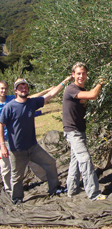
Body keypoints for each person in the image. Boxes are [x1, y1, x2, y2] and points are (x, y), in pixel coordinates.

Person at [0, 76, 72, 204]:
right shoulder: (9, 107)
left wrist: (64, 81)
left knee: (50, 163)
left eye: (25, 87)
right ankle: (17, 199)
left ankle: (54, 188)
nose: (23, 89)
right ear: (16, 91)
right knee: (17, 177)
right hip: (16, 150)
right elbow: (1, 124)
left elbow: (50, 94)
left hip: (33, 147)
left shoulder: (32, 103)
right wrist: (2, 145)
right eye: (20, 87)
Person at [0, 80, 55, 193]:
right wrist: (1, 145)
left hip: (25, 142)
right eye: (1, 88)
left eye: (5, 88)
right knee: (7, 168)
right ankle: (10, 191)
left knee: (34, 162)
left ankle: (46, 180)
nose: (3, 90)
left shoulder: (11, 99)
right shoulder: (7, 106)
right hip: (7, 141)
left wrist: (50, 89)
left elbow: (32, 97)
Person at [63, 62, 106, 201]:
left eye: (84, 73)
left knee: (75, 161)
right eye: (78, 73)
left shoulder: (81, 90)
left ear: (86, 75)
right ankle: (94, 194)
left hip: (80, 130)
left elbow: (86, 106)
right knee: (85, 159)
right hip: (72, 132)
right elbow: (93, 95)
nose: (81, 76)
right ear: (73, 75)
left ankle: (72, 190)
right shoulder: (71, 89)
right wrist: (100, 83)